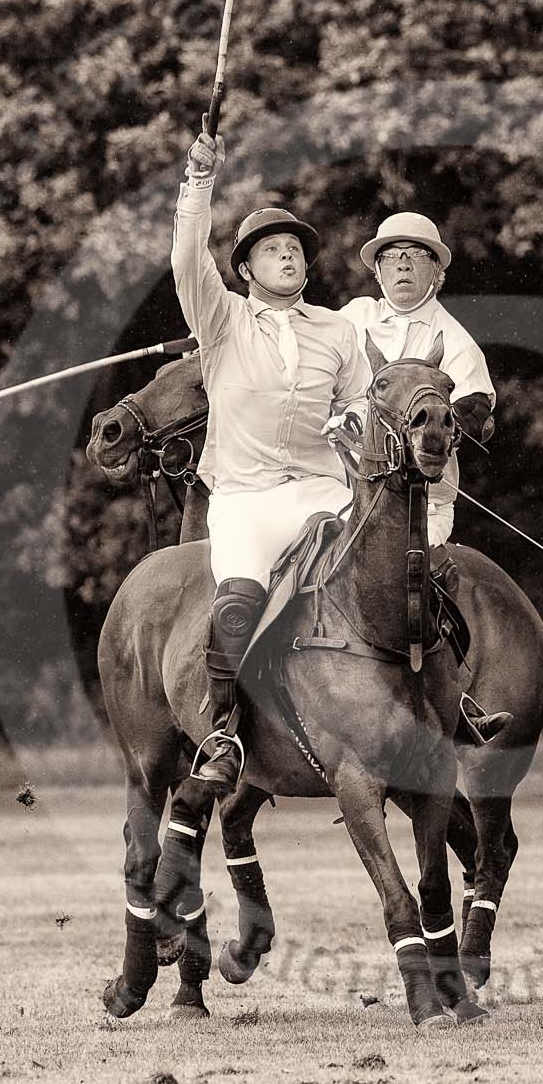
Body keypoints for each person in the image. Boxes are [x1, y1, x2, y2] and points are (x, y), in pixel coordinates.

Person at [171, 128, 370, 805]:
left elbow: (365, 403)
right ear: (247, 269)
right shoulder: (221, 319)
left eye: (294, 249)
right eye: (271, 249)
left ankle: (440, 699)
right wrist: (199, 179)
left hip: (326, 492)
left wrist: (355, 422)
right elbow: (184, 255)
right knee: (236, 602)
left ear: (306, 268)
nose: (286, 255)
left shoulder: (338, 330)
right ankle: (224, 732)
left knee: (399, 569)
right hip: (247, 499)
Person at [338, 212, 497, 546]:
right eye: (392, 256)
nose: (404, 265)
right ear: (379, 272)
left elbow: (474, 411)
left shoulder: (458, 343)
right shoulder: (352, 318)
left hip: (419, 505)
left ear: (437, 271)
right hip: (335, 489)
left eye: (417, 255)